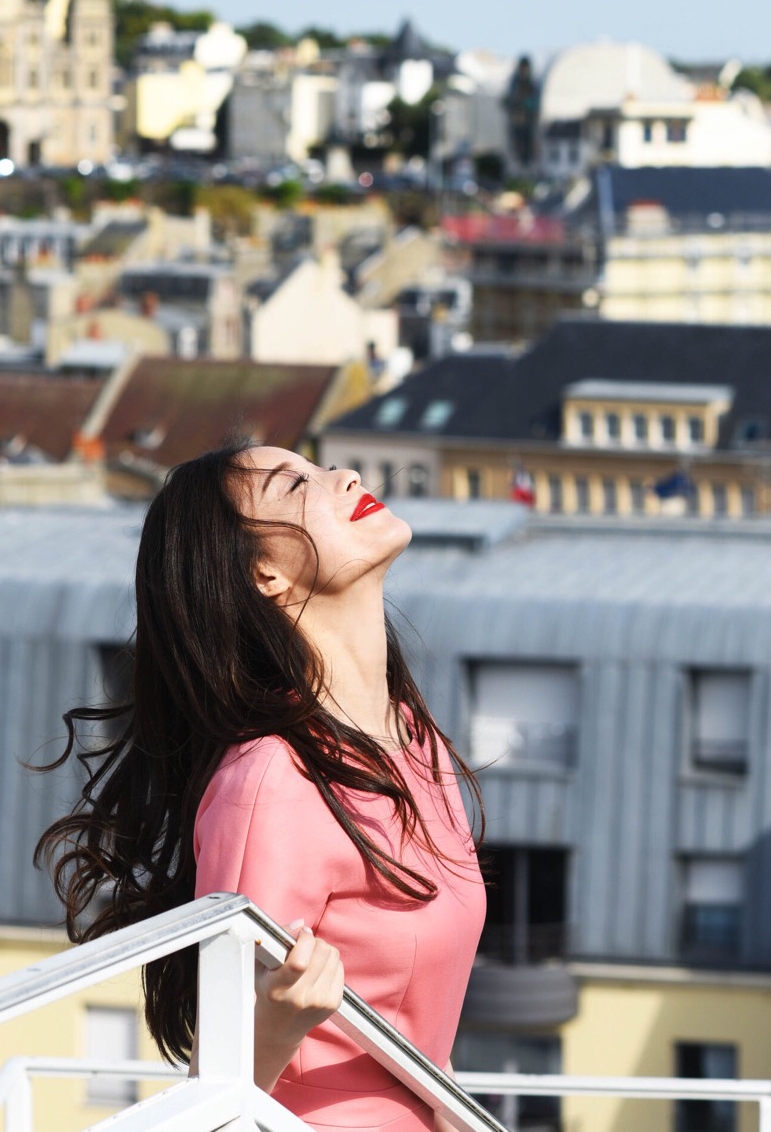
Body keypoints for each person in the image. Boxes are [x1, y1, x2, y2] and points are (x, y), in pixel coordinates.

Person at [37, 440, 486, 1131]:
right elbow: (213, 1085)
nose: (345, 477)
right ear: (264, 574)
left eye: (320, 468)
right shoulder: (273, 778)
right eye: (293, 485)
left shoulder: (411, 735)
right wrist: (277, 1022)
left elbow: (425, 1035)